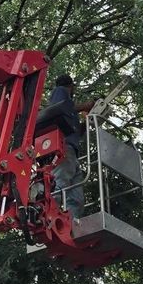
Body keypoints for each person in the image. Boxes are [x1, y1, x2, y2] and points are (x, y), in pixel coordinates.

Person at [37, 73, 94, 219]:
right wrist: (85, 106)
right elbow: (60, 108)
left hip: (72, 152)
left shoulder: (71, 115)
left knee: (76, 195)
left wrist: (89, 122)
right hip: (62, 147)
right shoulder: (61, 92)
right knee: (60, 183)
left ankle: (72, 222)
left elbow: (76, 132)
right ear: (71, 86)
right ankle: (48, 217)